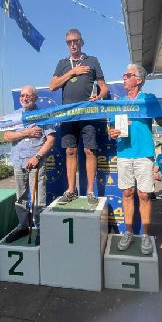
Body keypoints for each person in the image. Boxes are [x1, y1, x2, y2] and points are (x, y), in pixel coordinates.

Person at [108, 63, 162, 255]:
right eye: (124, 75)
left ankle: (145, 236)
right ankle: (128, 232)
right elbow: (111, 128)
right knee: (127, 193)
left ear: (138, 80)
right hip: (124, 153)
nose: (124, 78)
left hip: (144, 154)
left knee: (143, 195)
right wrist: (112, 132)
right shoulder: (119, 102)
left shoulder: (148, 98)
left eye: (127, 75)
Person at [49, 28, 108, 205]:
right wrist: (72, 73)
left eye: (76, 41)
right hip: (69, 115)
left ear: (82, 42)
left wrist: (99, 96)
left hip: (88, 113)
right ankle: (71, 190)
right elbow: (52, 86)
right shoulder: (62, 63)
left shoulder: (92, 60)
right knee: (70, 151)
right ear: (67, 44)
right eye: (69, 42)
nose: (73, 44)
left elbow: (104, 88)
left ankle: (90, 191)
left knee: (89, 151)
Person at [3, 86, 55, 246]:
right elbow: (6, 136)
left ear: (35, 98)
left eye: (28, 96)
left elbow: (51, 140)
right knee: (20, 197)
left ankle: (40, 229)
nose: (24, 98)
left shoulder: (44, 115)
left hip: (35, 163)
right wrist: (25, 133)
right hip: (18, 162)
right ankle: (23, 226)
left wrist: (37, 157)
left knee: (38, 199)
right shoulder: (14, 116)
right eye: (22, 95)